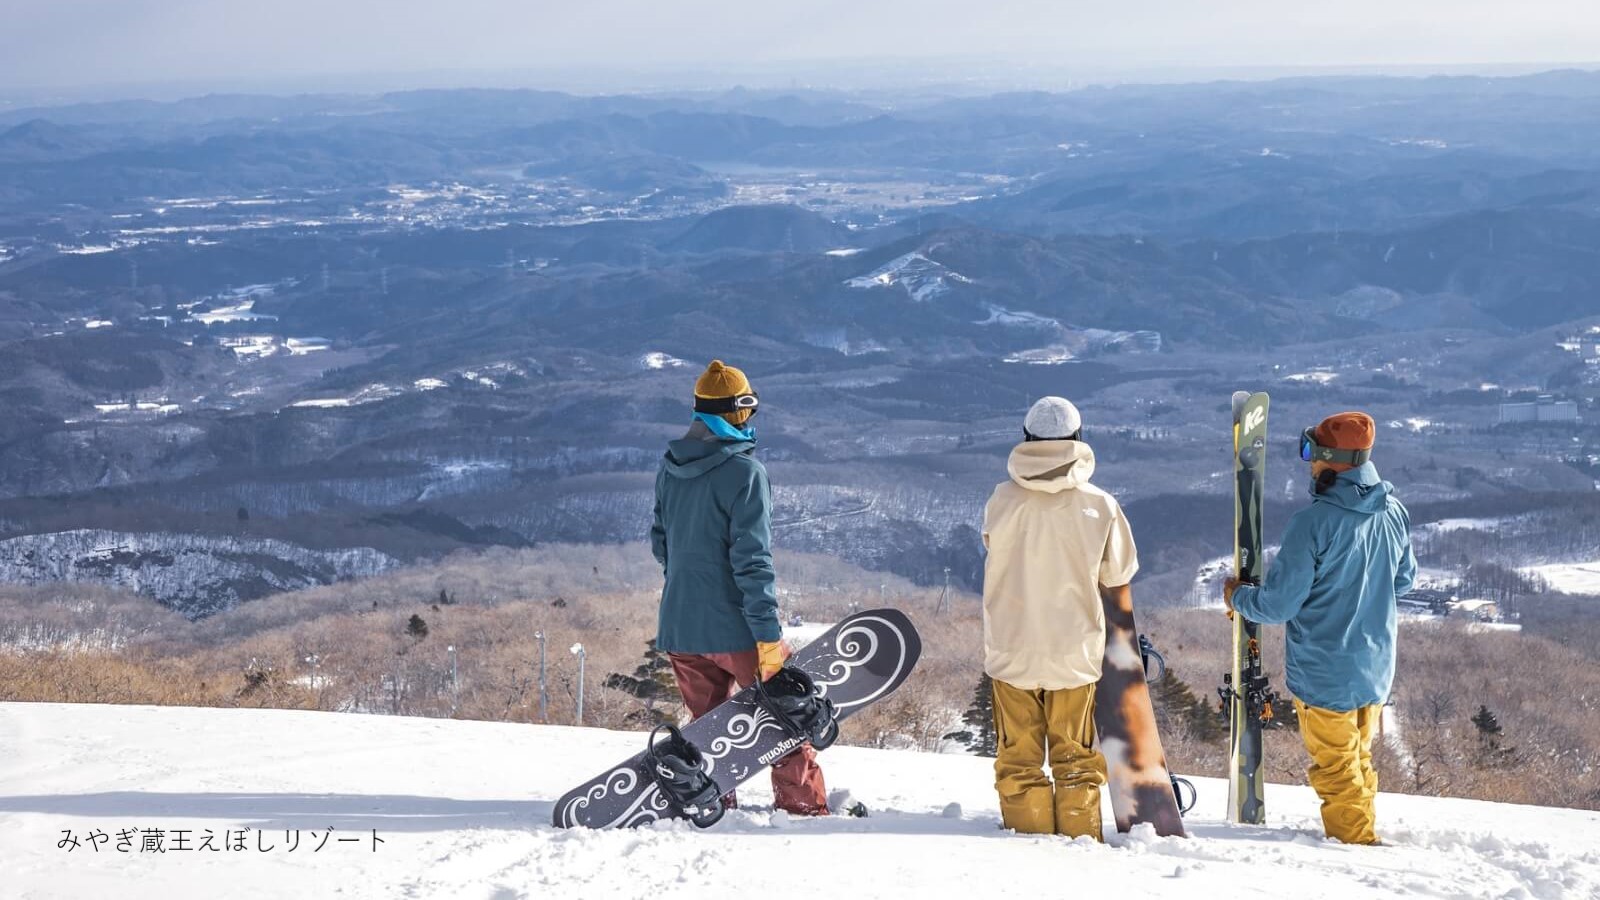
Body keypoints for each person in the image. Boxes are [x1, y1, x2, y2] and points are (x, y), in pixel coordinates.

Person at [1225, 411, 1416, 846]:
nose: (1308, 462)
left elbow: (1277, 605)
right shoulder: (1394, 511)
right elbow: (1402, 581)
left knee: (1337, 770)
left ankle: (1357, 850)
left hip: (1325, 670)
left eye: (1311, 451)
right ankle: (1362, 832)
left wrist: (1238, 597)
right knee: (1356, 759)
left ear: (1333, 459)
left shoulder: (1312, 524)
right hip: (1374, 668)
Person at [650, 359, 830, 816]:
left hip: (681, 623)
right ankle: (803, 809)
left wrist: (691, 587)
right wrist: (768, 635)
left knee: (710, 730)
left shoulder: (670, 467)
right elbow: (753, 562)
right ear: (736, 413)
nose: (752, 419)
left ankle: (717, 804)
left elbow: (661, 543)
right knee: (784, 722)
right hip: (738, 629)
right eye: (748, 410)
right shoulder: (745, 474)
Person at [981, 396, 1139, 839]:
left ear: (1027, 438)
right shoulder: (1100, 505)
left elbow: (993, 547)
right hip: (1074, 650)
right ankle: (1078, 843)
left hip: (1012, 645)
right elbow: (1119, 573)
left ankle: (1029, 841)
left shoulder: (1002, 499)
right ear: (1077, 439)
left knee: (1018, 759)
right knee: (1076, 759)